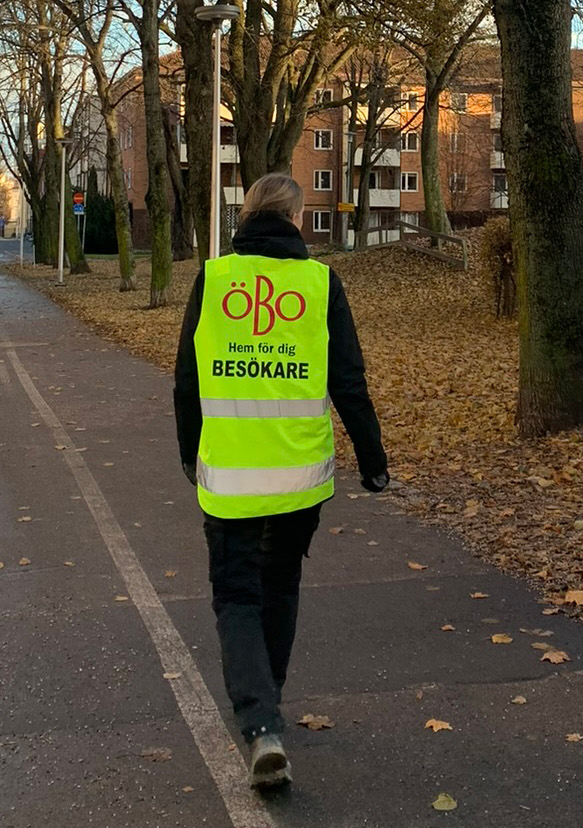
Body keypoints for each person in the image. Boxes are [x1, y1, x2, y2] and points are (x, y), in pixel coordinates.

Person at [173, 173, 389, 790]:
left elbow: (187, 379)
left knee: (237, 596)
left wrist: (191, 454)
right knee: (280, 585)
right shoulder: (320, 283)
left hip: (231, 474)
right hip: (299, 475)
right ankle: (269, 700)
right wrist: (373, 460)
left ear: (246, 216)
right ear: (295, 219)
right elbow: (348, 379)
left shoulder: (215, 280)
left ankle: (260, 721)